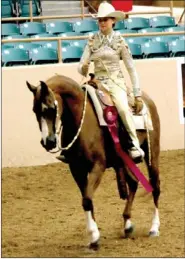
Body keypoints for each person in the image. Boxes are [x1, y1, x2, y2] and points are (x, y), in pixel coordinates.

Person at [57, 1, 144, 163]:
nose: (102, 23)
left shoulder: (120, 42)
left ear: (113, 21)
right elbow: (81, 66)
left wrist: (137, 93)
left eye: (105, 19)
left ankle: (134, 144)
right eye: (100, 20)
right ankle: (71, 146)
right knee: (76, 107)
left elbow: (131, 69)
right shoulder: (92, 40)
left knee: (123, 109)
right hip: (96, 83)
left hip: (114, 82)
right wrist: (83, 67)